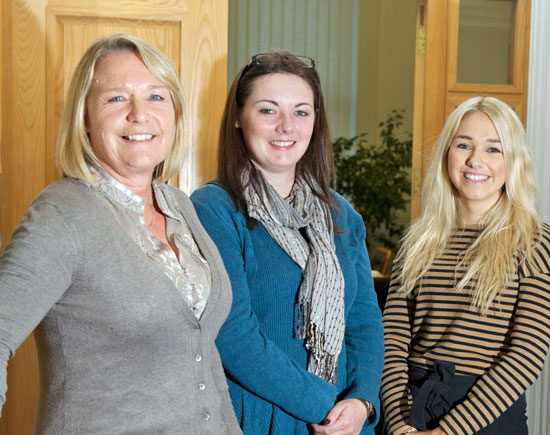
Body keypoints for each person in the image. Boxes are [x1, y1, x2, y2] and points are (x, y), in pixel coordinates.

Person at [0, 33, 241, 434]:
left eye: (156, 96)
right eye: (116, 98)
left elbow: (203, 355)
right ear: (85, 118)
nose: (139, 113)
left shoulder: (179, 206)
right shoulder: (62, 215)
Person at [190, 51, 384, 435]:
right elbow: (232, 334)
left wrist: (362, 400)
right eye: (267, 110)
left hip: (345, 423)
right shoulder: (213, 208)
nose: (286, 126)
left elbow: (364, 322)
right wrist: (322, 405)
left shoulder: (342, 215)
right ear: (237, 117)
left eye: (301, 112)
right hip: (259, 418)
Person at [380, 96, 550, 435]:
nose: (475, 161)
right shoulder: (417, 241)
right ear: (447, 153)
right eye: (463, 145)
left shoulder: (533, 241)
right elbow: (393, 341)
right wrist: (398, 423)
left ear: (512, 161)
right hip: (409, 406)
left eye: (493, 149)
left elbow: (528, 351)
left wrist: (449, 431)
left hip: (489, 413)